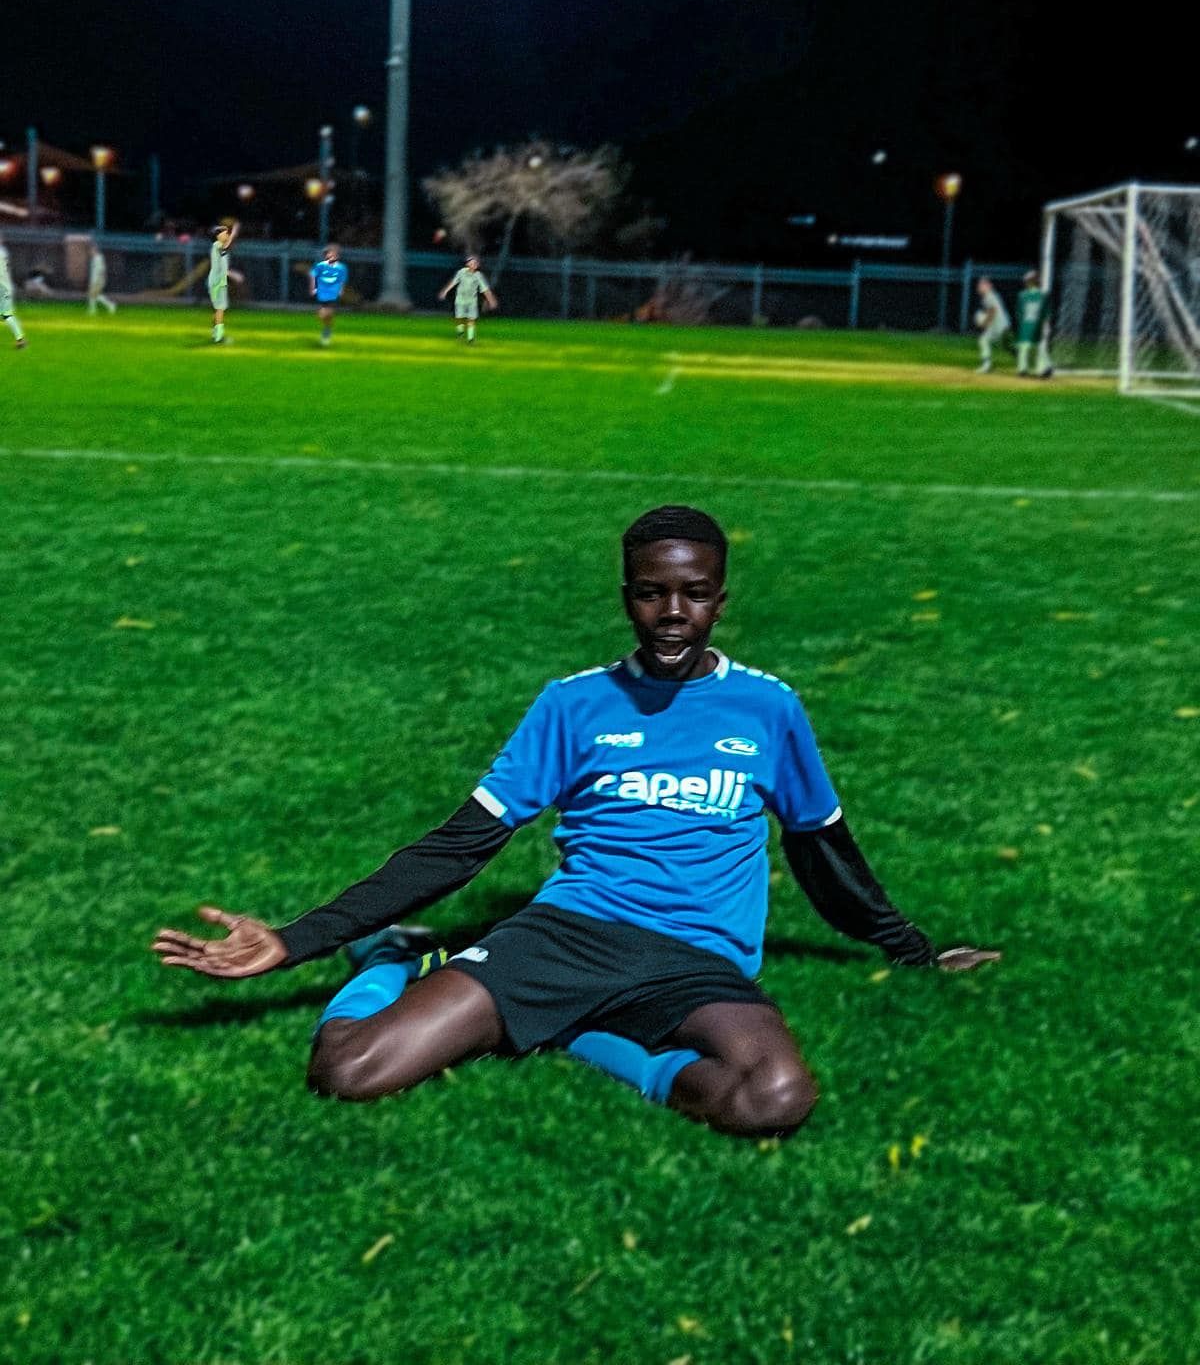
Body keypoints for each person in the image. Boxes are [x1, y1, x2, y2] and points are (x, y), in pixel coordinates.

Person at [153, 506, 999, 1140]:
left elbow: (824, 851)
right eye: (652, 593)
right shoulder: (574, 705)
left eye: (695, 594)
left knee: (772, 1096)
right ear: (628, 597)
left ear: (721, 601)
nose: (673, 612)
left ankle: (587, 1033)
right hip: (568, 936)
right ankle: (392, 958)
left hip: (697, 960)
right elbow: (461, 845)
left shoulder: (767, 708)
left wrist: (913, 950)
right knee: (349, 1069)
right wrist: (297, 940)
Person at [437, 255, 496, 344]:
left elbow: (485, 289)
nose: (474, 265)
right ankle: (460, 333)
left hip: (472, 301)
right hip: (460, 299)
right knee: (459, 318)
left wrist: (491, 301)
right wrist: (445, 291)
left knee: (471, 319)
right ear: (467, 264)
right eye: (472, 263)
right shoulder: (461, 272)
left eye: (475, 263)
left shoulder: (478, 276)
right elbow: (453, 282)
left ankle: (470, 338)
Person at [309, 243, 348, 348]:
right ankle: (327, 329)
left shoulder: (341, 268)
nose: (331, 256)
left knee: (327, 313)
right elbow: (313, 276)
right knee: (325, 317)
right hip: (322, 293)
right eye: (329, 253)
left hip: (333, 294)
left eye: (333, 254)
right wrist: (313, 288)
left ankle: (326, 334)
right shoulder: (320, 266)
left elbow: (342, 280)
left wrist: (341, 290)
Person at [1015, 270, 1053, 378]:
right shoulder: (1043, 295)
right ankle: (1045, 368)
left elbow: (1019, 313)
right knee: (1039, 347)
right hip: (1038, 325)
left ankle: (1023, 369)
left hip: (1026, 325)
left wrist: (1021, 324)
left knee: (1024, 346)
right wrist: (1047, 326)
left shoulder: (1022, 295)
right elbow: (1046, 314)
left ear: (1029, 282)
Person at [207, 219, 240, 344]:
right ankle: (218, 337)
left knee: (219, 309)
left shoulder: (218, 246)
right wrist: (234, 232)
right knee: (220, 309)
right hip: (217, 282)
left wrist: (233, 233)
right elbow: (226, 246)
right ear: (218, 236)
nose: (227, 235)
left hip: (218, 281)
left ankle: (215, 333)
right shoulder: (217, 245)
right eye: (224, 233)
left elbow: (227, 245)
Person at [973, 276, 1011, 373]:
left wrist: (984, 323)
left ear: (989, 286)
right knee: (1005, 347)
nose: (980, 286)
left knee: (984, 340)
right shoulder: (991, 295)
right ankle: (987, 365)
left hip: (999, 327)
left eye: (983, 284)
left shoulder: (989, 296)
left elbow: (992, 311)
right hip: (1002, 326)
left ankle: (987, 366)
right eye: (980, 284)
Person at [0, 237, 29, 349]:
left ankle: (21, 340)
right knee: (6, 314)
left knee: (6, 314)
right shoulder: (3, 251)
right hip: (5, 285)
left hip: (2, 286)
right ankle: (20, 339)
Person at [86, 240, 117, 316]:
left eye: (91, 250)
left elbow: (101, 271)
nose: (90, 252)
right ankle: (94, 309)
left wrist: (98, 281)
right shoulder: (95, 258)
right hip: (94, 280)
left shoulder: (98, 258)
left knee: (93, 295)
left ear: (95, 250)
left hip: (97, 280)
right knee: (93, 295)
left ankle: (110, 305)